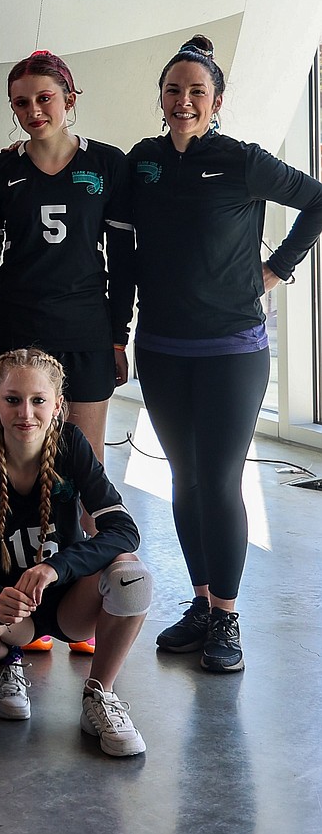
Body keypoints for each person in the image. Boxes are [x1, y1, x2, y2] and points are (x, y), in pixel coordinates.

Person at [129, 33, 322, 674]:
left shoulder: (242, 160)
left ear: (216, 100)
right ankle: (204, 601)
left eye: (197, 92)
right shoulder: (143, 161)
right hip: (160, 347)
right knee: (183, 480)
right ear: (160, 97)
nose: (185, 101)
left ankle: (229, 617)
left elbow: (317, 200)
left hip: (231, 350)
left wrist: (278, 268)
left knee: (217, 479)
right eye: (174, 90)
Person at [0, 347, 150, 758]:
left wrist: (57, 568)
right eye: (13, 400)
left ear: (58, 405)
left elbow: (123, 530)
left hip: (73, 602)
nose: (26, 413)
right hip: (12, 609)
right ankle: (3, 665)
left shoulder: (71, 443)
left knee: (132, 576)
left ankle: (99, 694)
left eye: (39, 401)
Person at [0, 50, 133, 466]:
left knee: (87, 466)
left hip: (87, 332)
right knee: (25, 467)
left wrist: (119, 337)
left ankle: (91, 535)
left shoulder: (108, 163)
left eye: (44, 98)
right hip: (18, 332)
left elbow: (123, 262)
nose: (33, 111)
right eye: (21, 103)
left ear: (69, 100)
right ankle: (34, 537)